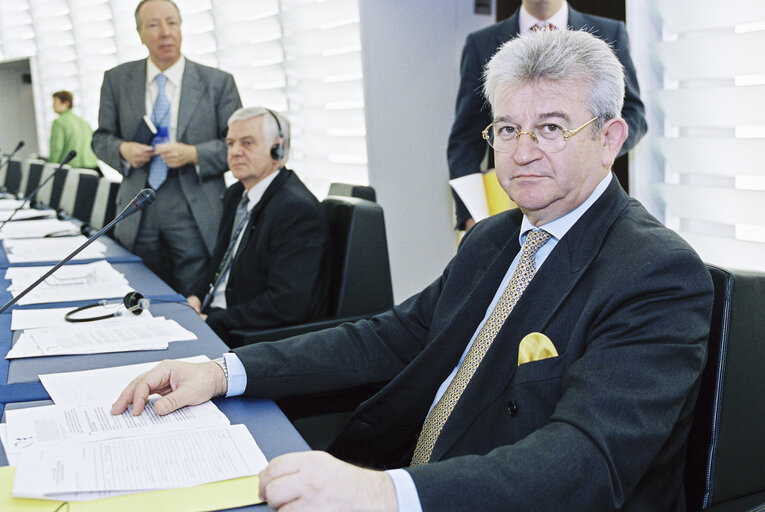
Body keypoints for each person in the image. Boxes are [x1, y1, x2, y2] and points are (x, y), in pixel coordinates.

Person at [113, 30, 713, 511]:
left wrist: (385, 495)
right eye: (506, 129)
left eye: (552, 127)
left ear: (610, 138)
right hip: (403, 470)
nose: (522, 150)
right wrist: (222, 372)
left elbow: (585, 462)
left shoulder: (656, 274)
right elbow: (390, 336)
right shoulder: (494, 237)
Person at [449, 0, 647, 231]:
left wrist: (593, 149)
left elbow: (635, 115)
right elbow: (465, 139)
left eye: (551, 127)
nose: (525, 154)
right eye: (509, 129)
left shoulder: (609, 33)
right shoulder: (480, 43)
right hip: (506, 208)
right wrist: (472, 215)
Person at [92, 0, 242, 295]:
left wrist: (194, 154)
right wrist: (122, 150)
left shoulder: (217, 83)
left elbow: (237, 147)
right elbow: (100, 138)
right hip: (138, 203)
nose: (165, 32)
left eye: (172, 23)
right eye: (153, 25)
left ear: (181, 28)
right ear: (139, 33)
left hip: (194, 202)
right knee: (139, 291)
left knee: (194, 295)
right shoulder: (117, 80)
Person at [186, 107, 330, 345]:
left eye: (247, 143)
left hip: (248, 335)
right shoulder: (236, 194)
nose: (235, 152)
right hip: (216, 317)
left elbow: (288, 303)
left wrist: (213, 320)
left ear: (278, 149)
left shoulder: (295, 209)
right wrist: (196, 296)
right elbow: (219, 261)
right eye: (231, 143)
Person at [49, 90, 101, 172]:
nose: (52, 106)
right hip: (93, 167)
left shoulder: (59, 122)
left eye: (55, 102)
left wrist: (50, 167)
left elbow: (57, 148)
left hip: (72, 169)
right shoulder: (83, 121)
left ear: (66, 103)